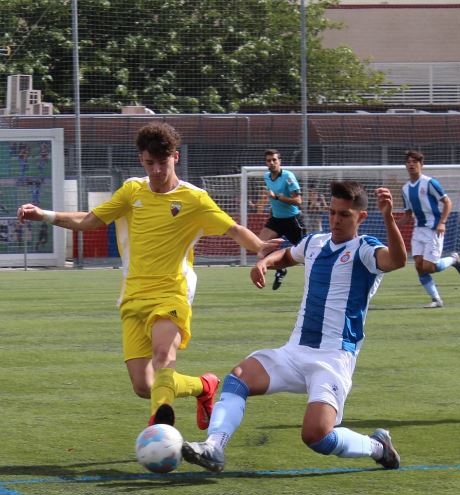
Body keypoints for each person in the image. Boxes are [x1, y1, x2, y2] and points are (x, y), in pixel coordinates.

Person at [17, 122, 280, 428]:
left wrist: (260, 246)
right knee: (144, 386)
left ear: (175, 158)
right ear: (141, 160)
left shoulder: (194, 199)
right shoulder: (132, 191)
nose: (156, 170)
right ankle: (203, 386)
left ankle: (161, 422)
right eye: (149, 163)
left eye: (162, 162)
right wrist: (44, 215)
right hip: (133, 294)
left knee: (163, 353)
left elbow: (233, 228)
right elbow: (90, 220)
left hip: (172, 290)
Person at [181, 181, 407, 472]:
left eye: (344, 215)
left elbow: (397, 261)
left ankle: (378, 447)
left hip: (332, 358)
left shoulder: (365, 249)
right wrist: (264, 263)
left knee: (315, 436)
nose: (336, 220)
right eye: (332, 212)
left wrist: (388, 217)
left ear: (361, 218)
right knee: (238, 377)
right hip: (294, 351)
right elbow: (287, 255)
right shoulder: (315, 243)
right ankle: (214, 447)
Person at [397, 150, 460, 308]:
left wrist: (442, 222)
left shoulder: (430, 183)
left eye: (415, 162)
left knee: (429, 267)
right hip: (418, 230)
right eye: (408, 162)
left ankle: (454, 260)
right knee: (419, 266)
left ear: (421, 165)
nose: (411, 164)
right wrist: (393, 224)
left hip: (434, 229)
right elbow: (408, 215)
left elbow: (447, 202)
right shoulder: (405, 189)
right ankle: (436, 299)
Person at [259, 149, 305, 290]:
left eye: (274, 160)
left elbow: (298, 201)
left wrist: (277, 197)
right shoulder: (267, 177)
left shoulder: (288, 176)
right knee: (260, 248)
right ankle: (281, 269)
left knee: (307, 255)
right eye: (269, 160)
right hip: (276, 220)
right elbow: (272, 199)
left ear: (280, 161)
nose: (271, 163)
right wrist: (272, 212)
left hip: (293, 220)